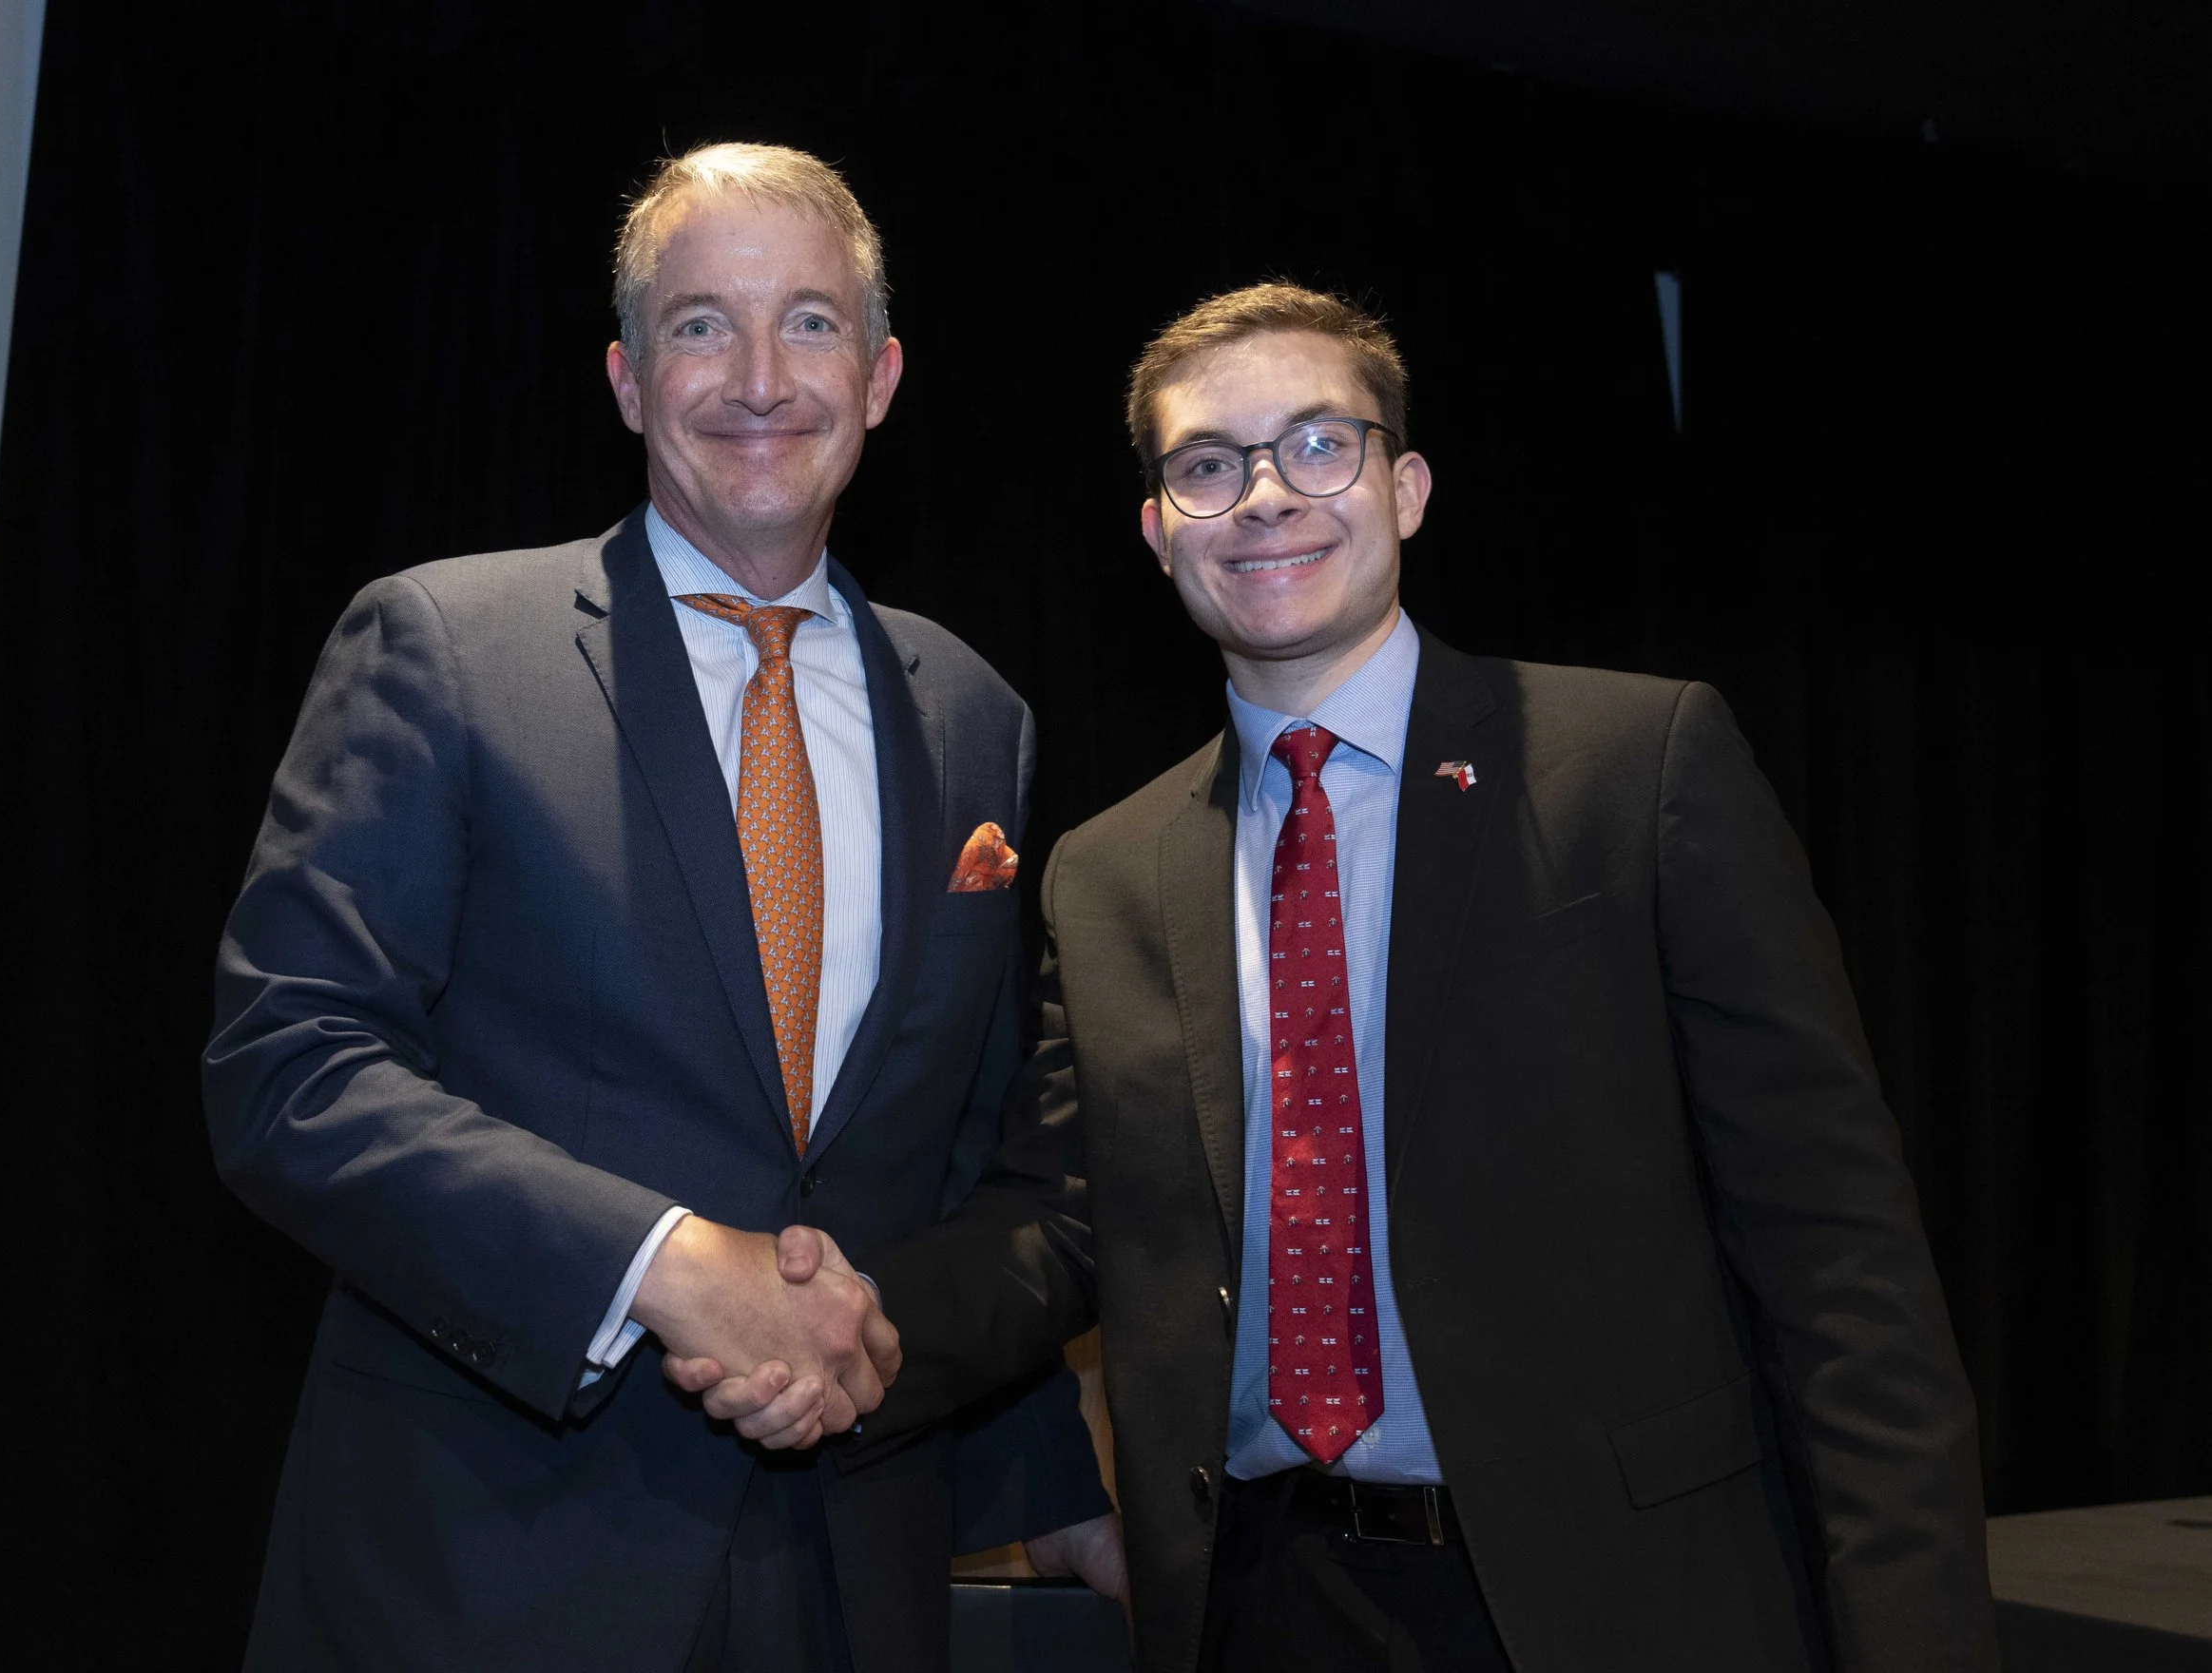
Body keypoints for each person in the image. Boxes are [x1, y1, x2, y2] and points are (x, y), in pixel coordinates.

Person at [682, 283, 1998, 1670]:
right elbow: (1060, 1226)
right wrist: (832, 1331)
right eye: (1208, 465)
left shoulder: (1636, 767)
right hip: (1263, 1604)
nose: (1265, 497)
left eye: (1319, 445)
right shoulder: (1108, 873)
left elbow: (1840, 1261)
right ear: (1158, 532)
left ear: (1406, 489)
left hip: (1617, 1604)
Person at [201, 143, 1112, 1673]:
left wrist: (1048, 1486)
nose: (760, 378)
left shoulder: (976, 716)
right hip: (485, 1569)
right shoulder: (444, 645)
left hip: (852, 1576)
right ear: (628, 381)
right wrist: (665, 1264)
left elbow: (965, 1164)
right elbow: (291, 1074)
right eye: (702, 325)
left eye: (809, 323)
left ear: (881, 376)